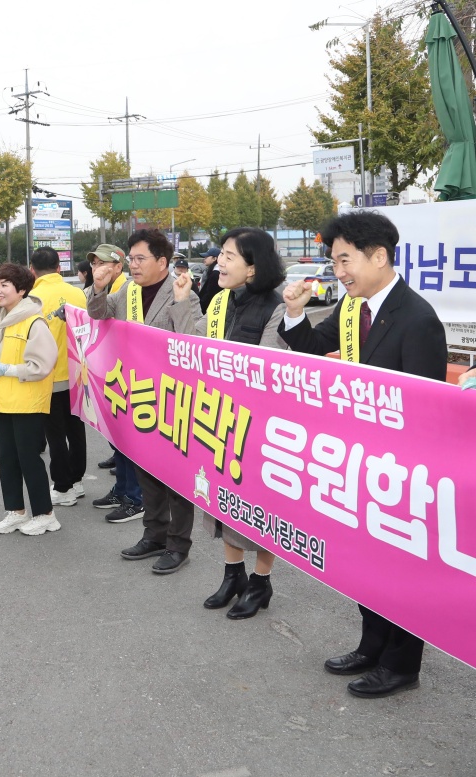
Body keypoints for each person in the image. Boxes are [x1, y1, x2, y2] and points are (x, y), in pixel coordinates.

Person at [279, 210, 447, 699]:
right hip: (359, 462)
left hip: (399, 470)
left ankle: (400, 664)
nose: (339, 272)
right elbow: (313, 346)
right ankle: (371, 645)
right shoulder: (354, 309)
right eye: (334, 262)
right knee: (368, 565)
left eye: (345, 260)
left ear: (379, 256)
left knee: (401, 571)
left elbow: (425, 410)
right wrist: (294, 313)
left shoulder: (417, 318)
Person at [186, 228, 287, 619]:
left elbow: (268, 367)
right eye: (222, 254)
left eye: (229, 256)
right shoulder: (219, 301)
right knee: (223, 501)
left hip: (257, 424)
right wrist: (184, 304)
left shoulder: (275, 307)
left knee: (261, 506)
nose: (220, 262)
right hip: (219, 415)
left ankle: (261, 581)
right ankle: (233, 575)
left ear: (253, 267)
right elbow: (192, 345)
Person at [88, 229, 202, 572]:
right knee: (147, 471)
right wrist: (98, 286)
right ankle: (154, 534)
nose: (133, 265)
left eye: (140, 259)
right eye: (131, 258)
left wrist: (182, 304)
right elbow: (97, 313)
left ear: (162, 262)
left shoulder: (183, 294)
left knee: (176, 478)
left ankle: (179, 545)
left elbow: (194, 341)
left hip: (173, 399)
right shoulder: (127, 292)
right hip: (137, 395)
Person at [0, 262, 59, 536]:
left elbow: (43, 365)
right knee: (8, 458)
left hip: (26, 400)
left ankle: (45, 514)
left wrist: (8, 370)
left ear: (22, 290)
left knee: (28, 458)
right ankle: (15, 511)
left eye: (5, 285)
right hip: (4, 399)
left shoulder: (34, 320)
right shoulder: (1, 317)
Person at [84, 244, 144, 522]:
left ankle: (136, 497)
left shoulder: (132, 288)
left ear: (120, 266)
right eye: (95, 263)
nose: (99, 267)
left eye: (104, 263)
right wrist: (98, 287)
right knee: (118, 439)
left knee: (133, 443)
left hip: (143, 381)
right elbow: (97, 312)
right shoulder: (118, 290)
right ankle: (122, 489)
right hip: (116, 375)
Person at [28, 247, 88, 507]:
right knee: (76, 427)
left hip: (49, 374)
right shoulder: (78, 293)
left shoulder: (32, 299)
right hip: (79, 372)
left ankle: (63, 487)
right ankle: (77, 480)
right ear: (58, 267)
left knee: (54, 433)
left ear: (32, 270)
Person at [197, 246, 222, 314]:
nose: (204, 259)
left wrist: (201, 308)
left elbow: (209, 295)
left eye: (207, 257)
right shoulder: (213, 272)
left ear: (214, 258)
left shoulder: (216, 274)